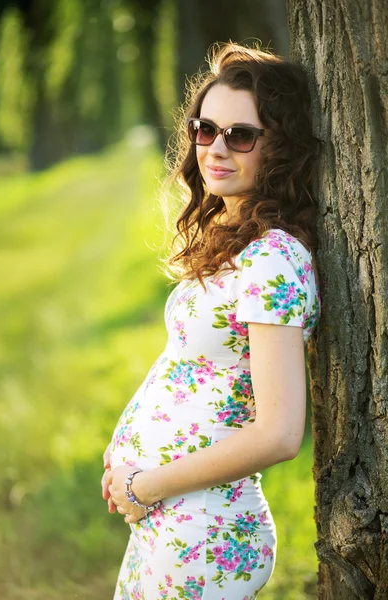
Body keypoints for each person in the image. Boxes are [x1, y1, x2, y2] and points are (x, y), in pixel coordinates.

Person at [101, 40, 322, 599]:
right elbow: (189, 363)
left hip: (206, 530)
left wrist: (144, 483)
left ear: (279, 149)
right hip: (171, 520)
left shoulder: (275, 257)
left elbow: (278, 434)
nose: (216, 148)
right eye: (205, 129)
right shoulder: (233, 246)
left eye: (240, 135)